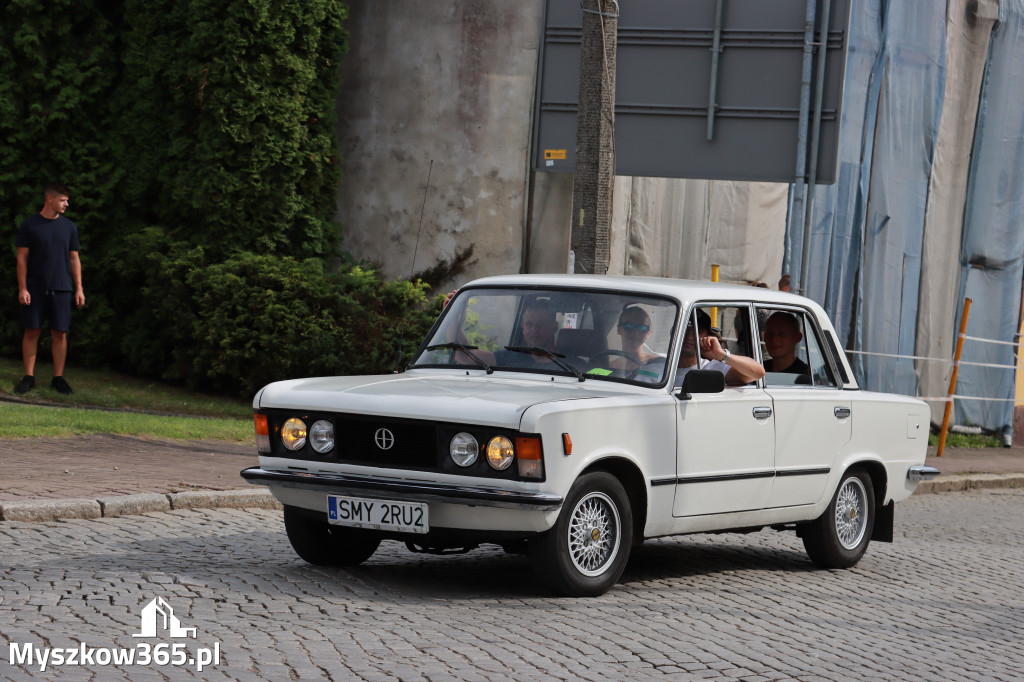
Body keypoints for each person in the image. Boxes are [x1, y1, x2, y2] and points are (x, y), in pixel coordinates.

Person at [14, 182, 84, 395]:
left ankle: (58, 378)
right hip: (35, 287)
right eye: (63, 200)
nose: (67, 204)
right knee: (32, 330)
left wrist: (79, 288)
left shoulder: (69, 227)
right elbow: (22, 258)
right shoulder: (29, 225)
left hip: (61, 287)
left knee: (60, 333)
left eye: (67, 200)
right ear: (50, 199)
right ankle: (28, 377)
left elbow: (74, 259)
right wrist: (23, 288)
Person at [675, 310, 764, 387]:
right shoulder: (662, 364)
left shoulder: (712, 369)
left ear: (707, 336)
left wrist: (721, 354)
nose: (690, 337)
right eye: (685, 330)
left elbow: (758, 373)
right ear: (673, 333)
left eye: (697, 332)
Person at [612, 306, 666, 382]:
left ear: (648, 333)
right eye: (629, 326)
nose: (635, 332)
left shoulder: (660, 365)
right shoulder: (609, 366)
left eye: (642, 328)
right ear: (618, 329)